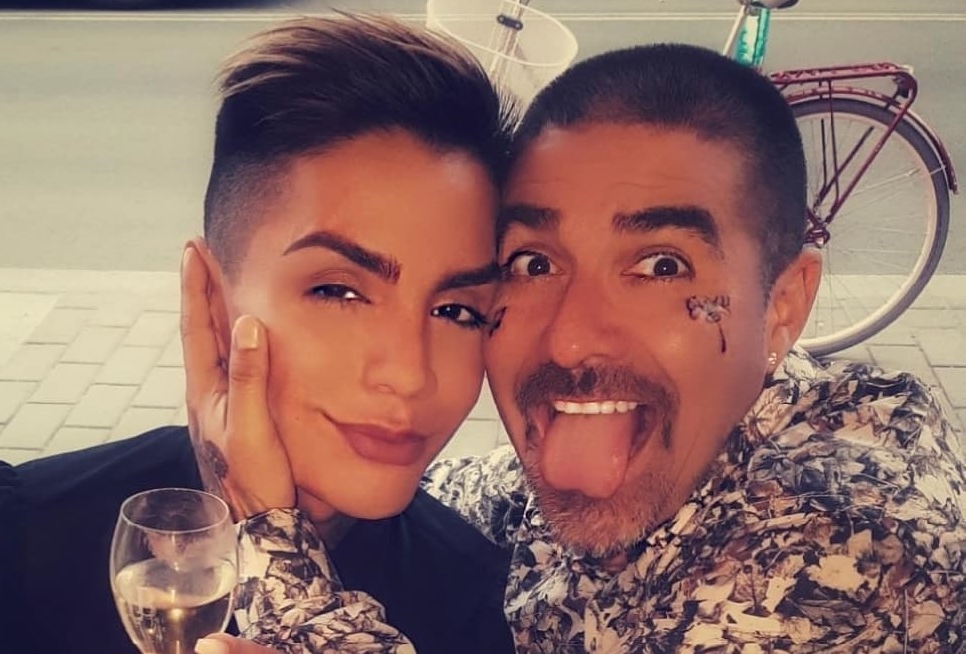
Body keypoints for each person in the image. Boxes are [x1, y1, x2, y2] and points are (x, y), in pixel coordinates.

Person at [198, 43, 966, 653]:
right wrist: (333, 478)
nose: (570, 336)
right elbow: (493, 496)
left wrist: (274, 541)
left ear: (783, 307)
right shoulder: (682, 429)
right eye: (533, 264)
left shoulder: (848, 556)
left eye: (660, 267)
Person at [0, 14, 518, 654]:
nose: (410, 373)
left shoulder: (475, 601)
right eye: (338, 291)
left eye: (457, 311)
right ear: (211, 298)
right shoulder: (19, 537)